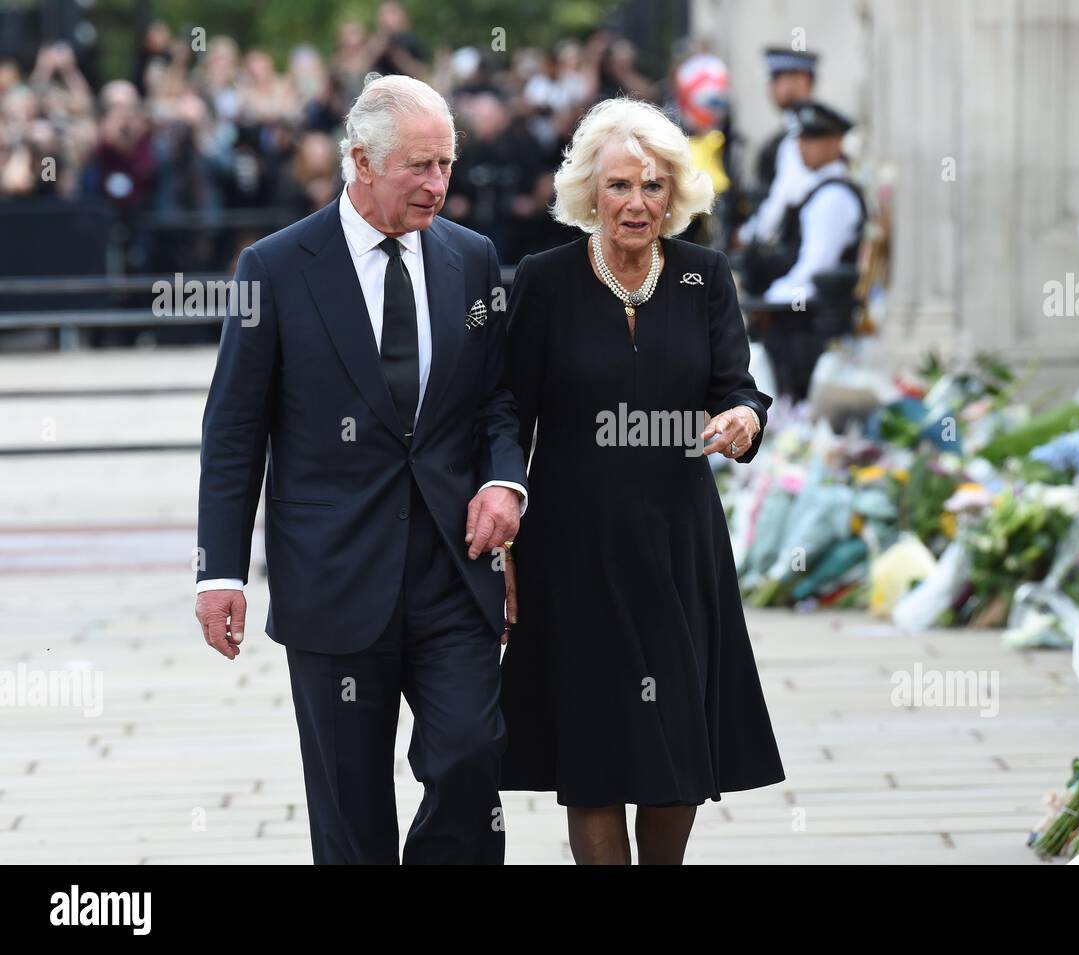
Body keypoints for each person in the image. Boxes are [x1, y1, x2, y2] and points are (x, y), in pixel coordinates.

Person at [194, 73, 527, 864]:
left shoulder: (472, 259)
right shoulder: (273, 268)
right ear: (360, 161)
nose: (438, 184)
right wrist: (220, 572)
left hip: (454, 568)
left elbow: (497, 400)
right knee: (349, 811)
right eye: (419, 165)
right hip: (334, 579)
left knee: (471, 757)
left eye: (446, 164)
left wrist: (504, 479)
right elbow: (234, 428)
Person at [499, 97, 786, 865]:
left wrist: (743, 419)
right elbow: (507, 414)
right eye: (620, 185)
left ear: (675, 195)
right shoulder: (544, 280)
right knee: (592, 760)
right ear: (590, 192)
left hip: (677, 543)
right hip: (572, 546)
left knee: (674, 754)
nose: (636, 203)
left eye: (654, 186)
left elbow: (740, 386)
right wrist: (503, 532)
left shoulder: (705, 275)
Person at [744, 100, 866, 399]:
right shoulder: (814, 190)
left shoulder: (833, 196)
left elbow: (813, 271)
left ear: (836, 142)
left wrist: (762, 303)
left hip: (810, 326)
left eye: (812, 139)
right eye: (800, 139)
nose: (802, 147)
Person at [735, 47, 817, 248]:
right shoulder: (785, 135)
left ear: (803, 80)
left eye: (778, 77)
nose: (770, 87)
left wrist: (748, 236)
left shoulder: (803, 137)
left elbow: (783, 200)